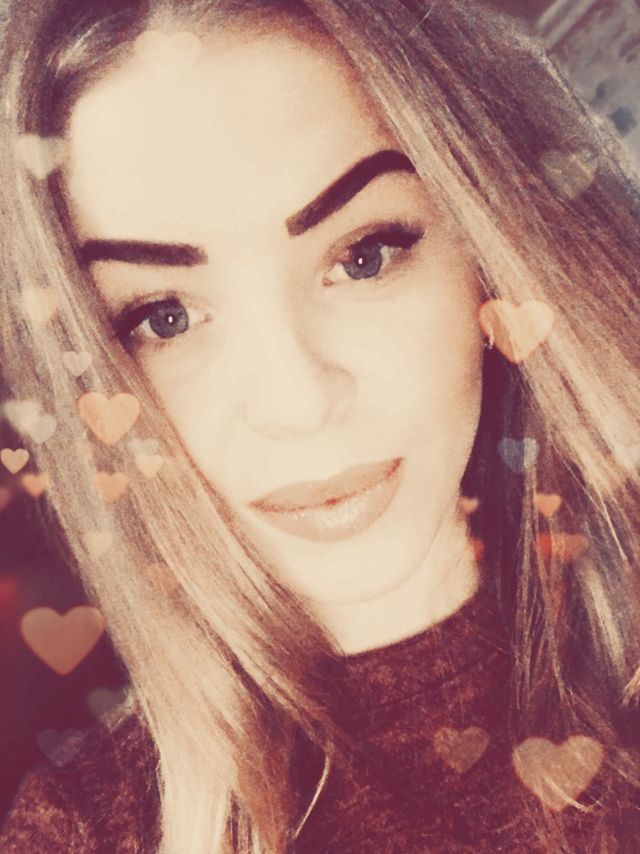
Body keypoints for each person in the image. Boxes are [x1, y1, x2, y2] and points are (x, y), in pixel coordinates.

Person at [1, 0, 640, 850]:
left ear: (488, 250)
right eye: (163, 317)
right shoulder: (91, 829)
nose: (297, 404)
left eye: (362, 257)